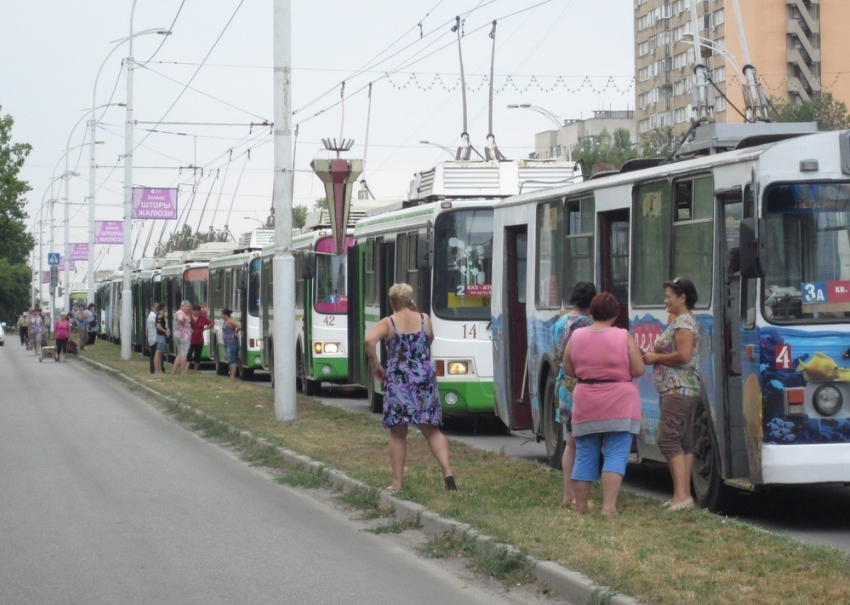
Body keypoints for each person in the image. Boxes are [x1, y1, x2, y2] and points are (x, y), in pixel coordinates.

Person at [364, 283, 457, 493]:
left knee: (398, 433)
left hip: (399, 380)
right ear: (410, 300)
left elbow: (369, 340)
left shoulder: (389, 323)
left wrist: (376, 365)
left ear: (392, 302)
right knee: (432, 430)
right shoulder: (425, 319)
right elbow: (429, 339)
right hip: (424, 378)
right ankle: (447, 470)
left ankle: (397, 484)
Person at [563, 292, 645, 515]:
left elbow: (568, 368)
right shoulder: (623, 336)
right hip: (620, 402)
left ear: (591, 311)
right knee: (616, 454)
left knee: (585, 453)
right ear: (615, 314)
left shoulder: (577, 336)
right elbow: (639, 369)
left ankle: (580, 507)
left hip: (586, 400)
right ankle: (609, 507)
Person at [642, 277, 702, 511]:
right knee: (683, 442)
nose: (665, 300)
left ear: (682, 298)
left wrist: (655, 357)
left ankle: (681, 496)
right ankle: (684, 496)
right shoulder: (683, 321)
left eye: (669, 296)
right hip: (682, 389)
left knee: (668, 440)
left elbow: (684, 356)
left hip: (678, 390)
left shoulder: (684, 323)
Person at [553, 281, 597, 506]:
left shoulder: (559, 322)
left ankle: (567, 494)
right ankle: (579, 497)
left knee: (569, 442)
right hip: (582, 386)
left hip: (563, 385)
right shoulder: (588, 324)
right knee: (583, 443)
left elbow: (555, 356)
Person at [188, 304, 213, 373]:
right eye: (194, 311)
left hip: (199, 340)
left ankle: (195, 370)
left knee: (197, 355)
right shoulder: (189, 318)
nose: (195, 312)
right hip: (190, 339)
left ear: (199, 311)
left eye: (197, 311)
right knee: (189, 354)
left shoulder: (202, 318)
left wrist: (205, 328)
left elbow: (211, 323)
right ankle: (186, 369)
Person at [171, 300, 193, 375]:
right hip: (183, 336)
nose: (187, 308)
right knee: (184, 354)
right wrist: (185, 325)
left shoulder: (177, 312)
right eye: (185, 306)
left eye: (188, 307)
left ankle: (173, 371)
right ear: (181, 306)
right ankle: (183, 371)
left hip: (177, 335)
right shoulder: (181, 313)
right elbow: (180, 319)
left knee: (179, 354)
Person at [220, 308, 242, 379]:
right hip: (226, 342)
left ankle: (232, 376)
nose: (221, 316)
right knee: (229, 359)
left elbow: (239, 326)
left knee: (232, 359)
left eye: (222, 314)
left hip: (231, 342)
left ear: (225, 315)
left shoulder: (230, 321)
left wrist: (234, 333)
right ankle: (231, 375)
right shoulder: (225, 321)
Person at [146, 302, 162, 376]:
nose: (158, 309)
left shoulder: (153, 316)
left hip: (153, 338)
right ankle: (154, 369)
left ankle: (153, 369)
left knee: (153, 354)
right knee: (155, 354)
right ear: (153, 308)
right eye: (157, 307)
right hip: (154, 338)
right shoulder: (153, 316)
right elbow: (157, 325)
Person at [154, 303, 169, 377]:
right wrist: (165, 331)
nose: (166, 309)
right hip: (160, 336)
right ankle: (157, 370)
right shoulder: (160, 316)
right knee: (158, 353)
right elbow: (158, 326)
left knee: (160, 354)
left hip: (162, 335)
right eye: (165, 307)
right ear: (163, 307)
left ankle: (159, 370)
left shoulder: (161, 315)